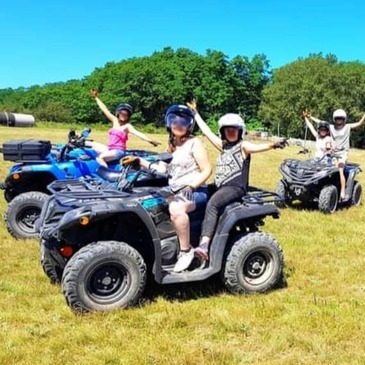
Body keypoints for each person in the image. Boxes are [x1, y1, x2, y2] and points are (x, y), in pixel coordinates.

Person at [185, 101, 288, 264]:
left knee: (213, 204)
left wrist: (274, 145)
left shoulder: (243, 146)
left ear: (240, 131)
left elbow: (257, 147)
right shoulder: (223, 146)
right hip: (220, 186)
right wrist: (195, 113)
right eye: (227, 130)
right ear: (223, 132)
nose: (231, 132)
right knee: (199, 193)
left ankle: (204, 246)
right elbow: (206, 132)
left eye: (234, 130)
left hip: (235, 187)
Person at [121, 104, 212, 273]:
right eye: (173, 120)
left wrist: (191, 186)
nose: (178, 124)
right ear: (168, 123)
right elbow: (162, 169)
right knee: (146, 204)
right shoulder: (171, 145)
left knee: (176, 208)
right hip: (175, 190)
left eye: (183, 121)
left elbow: (207, 169)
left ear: (189, 124)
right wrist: (140, 161)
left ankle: (186, 251)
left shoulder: (195, 143)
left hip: (196, 191)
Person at [89, 89, 161, 167]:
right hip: (109, 148)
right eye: (122, 113)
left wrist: (150, 141)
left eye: (126, 114)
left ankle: (106, 173)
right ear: (118, 113)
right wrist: (96, 98)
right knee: (91, 147)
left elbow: (138, 133)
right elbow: (104, 109)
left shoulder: (127, 126)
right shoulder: (114, 120)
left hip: (119, 151)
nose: (124, 115)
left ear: (128, 116)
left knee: (100, 158)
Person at [307, 108, 365, 199]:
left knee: (340, 168)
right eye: (337, 118)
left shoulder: (347, 127)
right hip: (332, 154)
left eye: (341, 118)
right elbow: (321, 122)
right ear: (335, 119)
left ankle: (342, 190)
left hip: (343, 154)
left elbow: (360, 123)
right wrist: (310, 117)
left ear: (344, 119)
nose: (339, 120)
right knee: (325, 169)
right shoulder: (331, 127)